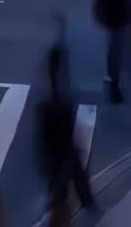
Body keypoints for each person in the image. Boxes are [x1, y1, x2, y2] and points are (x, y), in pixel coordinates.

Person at [40, 44, 94, 218]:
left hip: (55, 147)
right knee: (70, 170)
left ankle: (65, 199)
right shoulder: (61, 101)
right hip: (62, 145)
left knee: (61, 172)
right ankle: (80, 201)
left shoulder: (49, 101)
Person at [94, 0, 130, 103]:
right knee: (116, 53)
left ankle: (110, 73)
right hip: (119, 27)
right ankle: (114, 83)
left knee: (112, 52)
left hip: (111, 24)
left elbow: (98, 6)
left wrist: (102, 20)